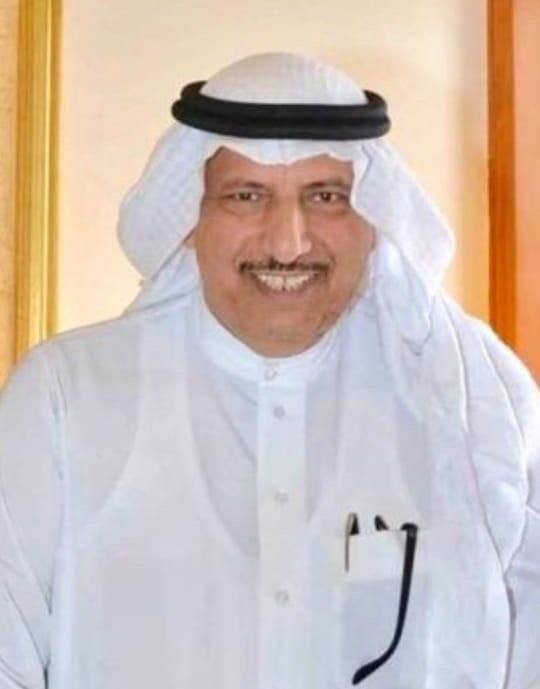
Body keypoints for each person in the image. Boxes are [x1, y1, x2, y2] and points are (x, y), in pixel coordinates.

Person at [0, 52, 538, 689]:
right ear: (192, 219)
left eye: (326, 197)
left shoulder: (473, 409)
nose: (288, 243)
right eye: (246, 196)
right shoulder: (66, 397)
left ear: (374, 220)